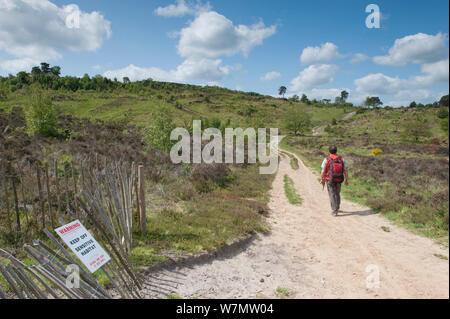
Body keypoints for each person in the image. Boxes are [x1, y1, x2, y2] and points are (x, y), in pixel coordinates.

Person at [320, 145, 348, 216]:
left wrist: (322, 178)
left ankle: (335, 211)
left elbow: (323, 171)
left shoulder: (327, 159)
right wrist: (346, 179)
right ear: (336, 151)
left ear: (329, 151)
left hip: (330, 179)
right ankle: (337, 207)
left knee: (332, 194)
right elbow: (345, 170)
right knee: (337, 193)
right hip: (339, 178)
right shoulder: (341, 159)